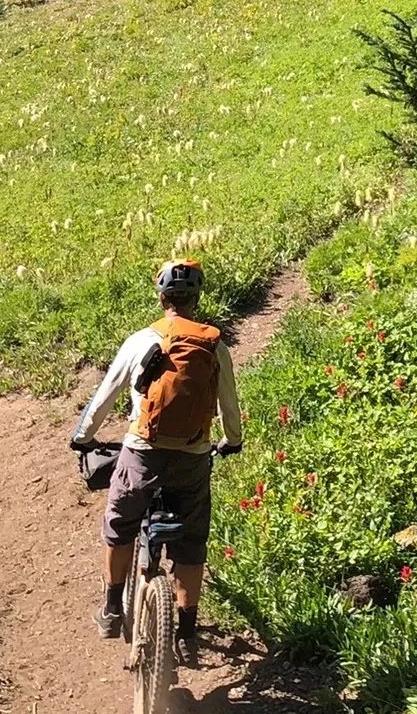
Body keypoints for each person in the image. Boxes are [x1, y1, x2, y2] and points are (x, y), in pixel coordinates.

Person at [70, 259, 243, 662]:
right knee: (191, 540)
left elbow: (106, 395)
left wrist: (83, 438)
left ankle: (113, 610)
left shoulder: (142, 340)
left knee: (120, 523)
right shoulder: (215, 345)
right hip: (193, 457)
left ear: (162, 298)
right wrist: (231, 441)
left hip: (143, 454)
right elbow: (229, 407)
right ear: (196, 299)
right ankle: (187, 633)